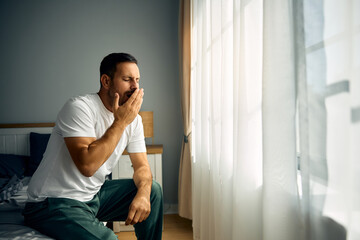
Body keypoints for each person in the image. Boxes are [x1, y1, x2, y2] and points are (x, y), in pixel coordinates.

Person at [22, 53, 163, 240]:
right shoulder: (79, 107)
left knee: (152, 190)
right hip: (52, 202)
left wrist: (144, 194)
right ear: (106, 81)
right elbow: (87, 166)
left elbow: (142, 167)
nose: (135, 86)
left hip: (92, 196)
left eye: (137, 80)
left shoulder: (134, 120)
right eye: (127, 79)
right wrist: (120, 123)